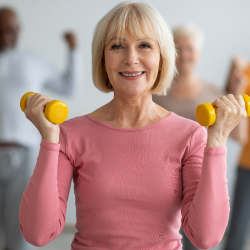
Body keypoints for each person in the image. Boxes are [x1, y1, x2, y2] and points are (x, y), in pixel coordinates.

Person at [19, 2, 246, 250]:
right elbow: (37, 234)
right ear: (103, 59)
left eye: (145, 46)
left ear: (162, 57)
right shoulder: (70, 134)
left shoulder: (190, 135)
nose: (131, 58)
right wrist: (49, 140)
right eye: (117, 46)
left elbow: (206, 238)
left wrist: (218, 140)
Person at [152, 24, 249, 250]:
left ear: (200, 53)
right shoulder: (154, 92)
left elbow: (240, 136)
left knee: (197, 242)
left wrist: (237, 93)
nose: (184, 54)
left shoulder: (214, 93)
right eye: (179, 48)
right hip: (160, 183)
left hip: (199, 180)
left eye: (190, 49)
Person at [0, 6, 82, 250]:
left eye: (10, 31)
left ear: (19, 30)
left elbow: (68, 87)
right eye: (0, 31)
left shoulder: (32, 60)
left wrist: (73, 50)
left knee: (20, 231)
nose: (5, 37)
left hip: (23, 154)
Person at [223, 56, 250, 250]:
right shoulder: (246, 72)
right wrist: (236, 81)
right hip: (247, 164)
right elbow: (229, 97)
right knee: (237, 229)